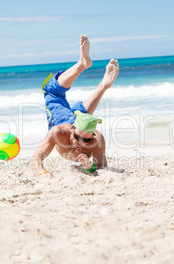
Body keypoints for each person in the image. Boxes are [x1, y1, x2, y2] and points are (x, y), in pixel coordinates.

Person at [30, 35, 119, 177]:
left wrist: (89, 167)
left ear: (94, 136)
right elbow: (35, 160)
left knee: (83, 115)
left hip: (79, 117)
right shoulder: (58, 132)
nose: (82, 143)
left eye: (87, 139)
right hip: (63, 117)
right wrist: (42, 173)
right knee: (50, 90)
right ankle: (82, 64)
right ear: (72, 130)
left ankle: (103, 86)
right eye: (78, 138)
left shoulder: (97, 140)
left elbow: (101, 167)